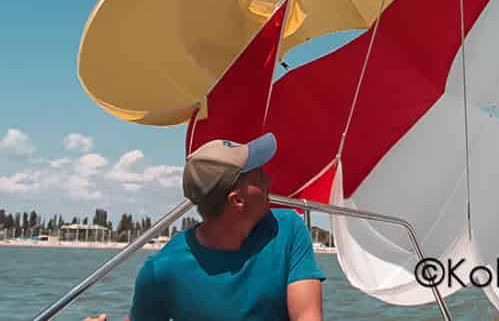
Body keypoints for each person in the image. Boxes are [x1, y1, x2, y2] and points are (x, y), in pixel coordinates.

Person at [85, 133, 324, 321]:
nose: (268, 180)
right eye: (258, 175)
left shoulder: (287, 229)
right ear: (237, 200)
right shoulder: (161, 271)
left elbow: (307, 316)